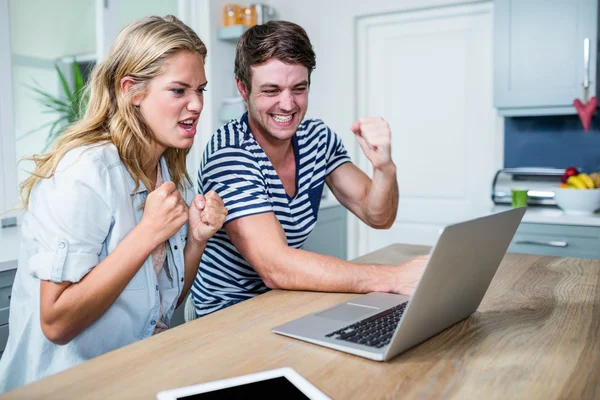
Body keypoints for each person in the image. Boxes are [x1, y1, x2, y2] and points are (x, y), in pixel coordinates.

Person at [0, 15, 227, 392]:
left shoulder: (169, 176)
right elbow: (56, 322)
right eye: (179, 90)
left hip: (135, 376)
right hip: (65, 387)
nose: (197, 104)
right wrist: (147, 234)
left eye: (200, 90)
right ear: (132, 91)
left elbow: (162, 303)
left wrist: (196, 241)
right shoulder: (83, 174)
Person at [192, 20, 427, 317]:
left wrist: (384, 168)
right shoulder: (229, 155)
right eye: (271, 90)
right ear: (243, 88)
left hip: (288, 300)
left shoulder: (316, 138)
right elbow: (276, 267)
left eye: (299, 88)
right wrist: (393, 278)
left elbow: (377, 215)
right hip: (227, 316)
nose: (288, 105)